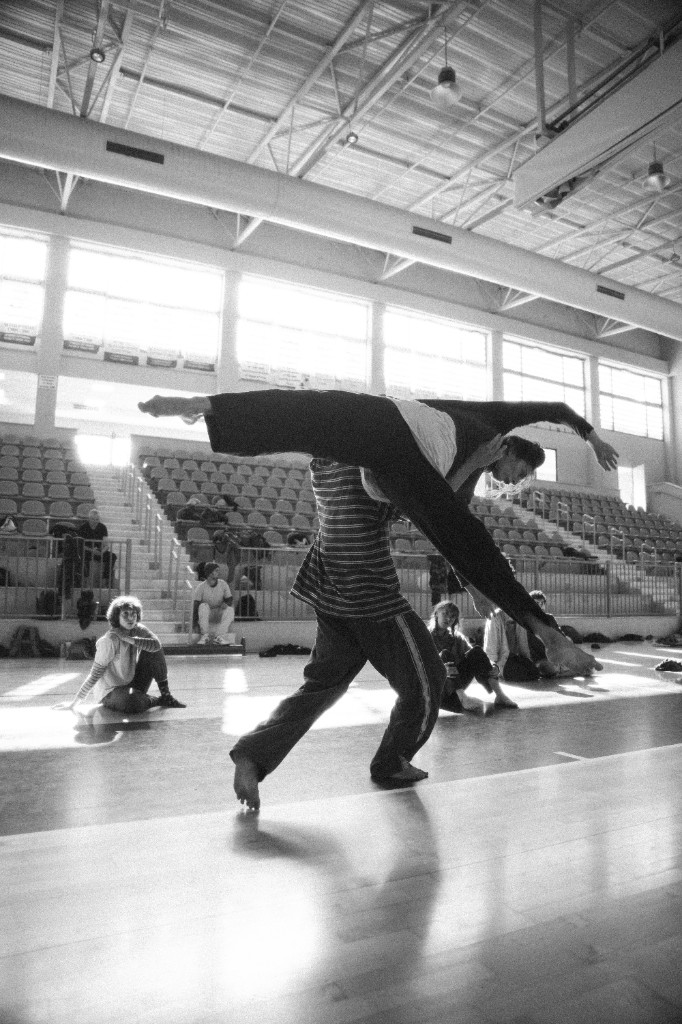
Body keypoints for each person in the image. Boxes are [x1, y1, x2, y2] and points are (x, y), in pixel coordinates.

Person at [138, 389, 614, 679]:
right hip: (395, 422)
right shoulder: (496, 422)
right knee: (318, 410)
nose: (511, 482)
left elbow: (443, 517)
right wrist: (592, 437)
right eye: (518, 472)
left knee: (469, 538)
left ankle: (547, 634)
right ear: (513, 450)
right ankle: (207, 406)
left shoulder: (473, 471)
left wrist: (472, 583)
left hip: (401, 466)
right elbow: (555, 407)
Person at [229, 459, 447, 809]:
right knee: (427, 680)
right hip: (369, 592)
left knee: (321, 686)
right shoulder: (372, 466)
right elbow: (432, 504)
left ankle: (253, 754)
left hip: (329, 587)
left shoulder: (324, 462)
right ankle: (391, 761)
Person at [52, 595, 185, 716]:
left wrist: (129, 639)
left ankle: (166, 696)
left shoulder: (137, 629)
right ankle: (155, 700)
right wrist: (74, 703)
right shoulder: (109, 640)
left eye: (133, 614)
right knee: (132, 702)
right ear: (116, 617)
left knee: (155, 649)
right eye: (125, 614)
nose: (130, 618)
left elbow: (156, 646)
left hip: (132, 683)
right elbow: (95, 674)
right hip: (111, 691)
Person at [429, 600, 517, 712]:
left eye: (452, 616)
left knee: (476, 651)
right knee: (445, 654)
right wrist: (441, 669)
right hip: (437, 689)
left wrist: (493, 666)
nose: (448, 619)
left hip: (455, 687)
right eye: (445, 613)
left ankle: (500, 695)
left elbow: (476, 656)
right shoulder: (426, 636)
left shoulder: (456, 637)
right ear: (436, 613)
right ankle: (463, 698)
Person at [192, 560, 235, 644]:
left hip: (219, 612)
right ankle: (205, 635)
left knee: (230, 610)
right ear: (210, 573)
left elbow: (229, 599)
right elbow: (195, 606)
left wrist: (226, 604)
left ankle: (219, 637)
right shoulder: (201, 587)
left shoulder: (223, 584)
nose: (218, 572)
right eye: (216, 570)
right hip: (206, 614)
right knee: (203, 606)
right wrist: (194, 624)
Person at [78, 508, 116, 585]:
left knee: (112, 556)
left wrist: (102, 552)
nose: (95, 521)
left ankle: (105, 579)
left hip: (99, 551)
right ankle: (85, 579)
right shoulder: (83, 527)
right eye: (93, 519)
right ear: (89, 519)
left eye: (97, 519)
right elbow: (80, 545)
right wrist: (92, 550)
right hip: (87, 551)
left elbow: (106, 545)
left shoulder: (103, 527)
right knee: (81, 556)